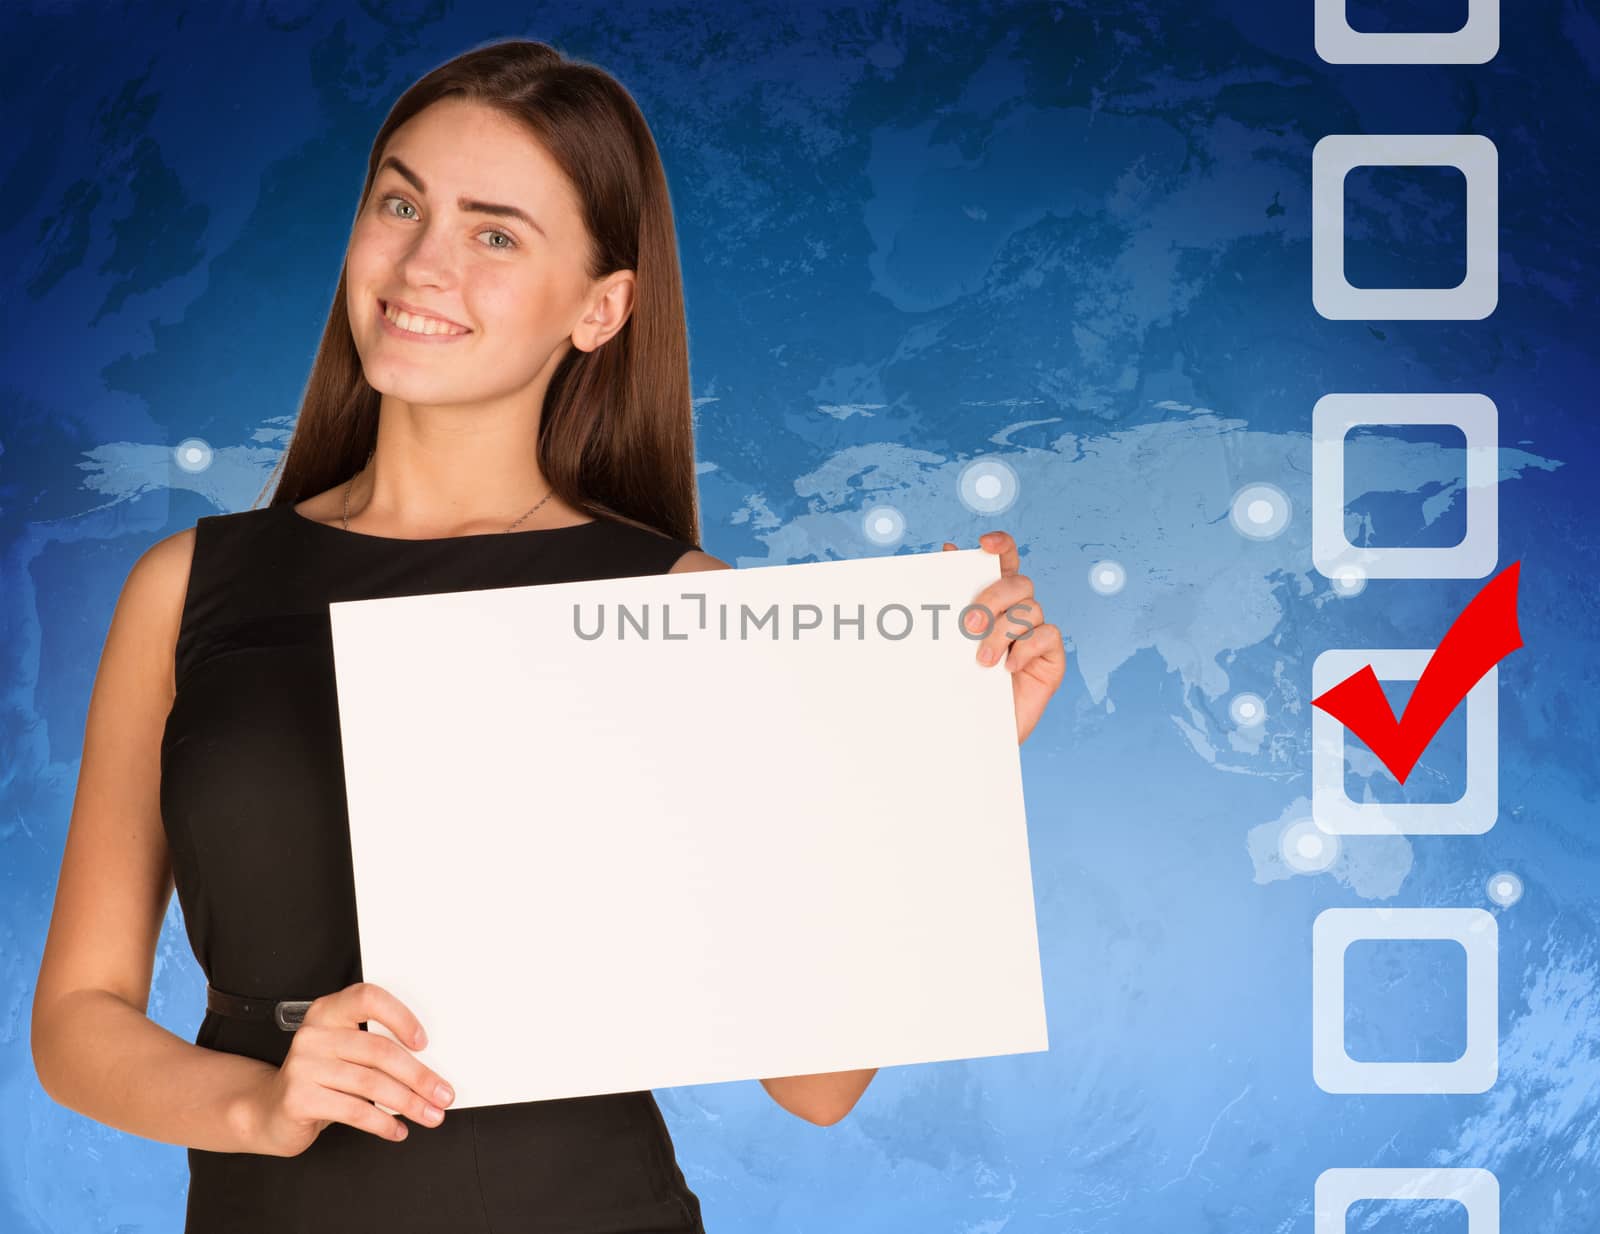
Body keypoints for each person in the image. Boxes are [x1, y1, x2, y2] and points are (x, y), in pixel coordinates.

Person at [29, 37, 1066, 1234]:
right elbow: (76, 1019)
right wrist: (264, 1105)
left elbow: (815, 1086)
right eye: (401, 203)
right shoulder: (188, 585)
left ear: (600, 307)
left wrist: (941, 760)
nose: (424, 262)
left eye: (496, 233)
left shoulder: (683, 606)